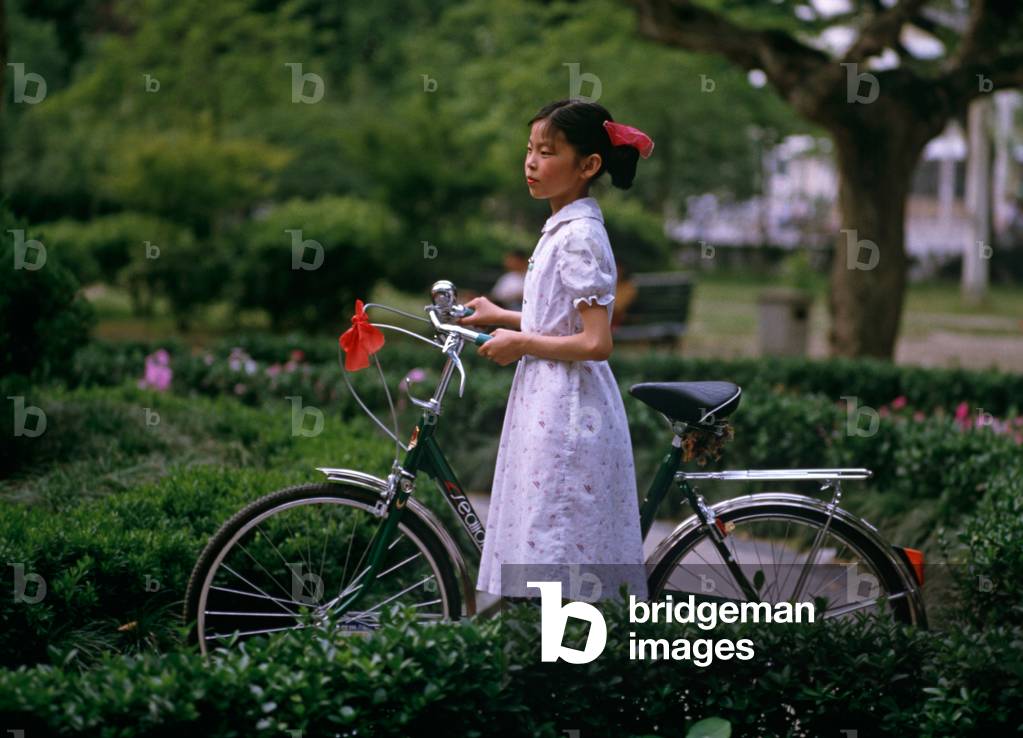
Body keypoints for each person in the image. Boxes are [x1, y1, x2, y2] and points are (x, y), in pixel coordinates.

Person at [457, 99, 654, 603]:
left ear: (588, 166)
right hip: (548, 400)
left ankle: (560, 667)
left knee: (557, 541)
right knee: (549, 538)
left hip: (569, 412)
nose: (531, 162)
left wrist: (520, 341)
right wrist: (501, 316)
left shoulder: (580, 237)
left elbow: (596, 341)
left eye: (547, 152)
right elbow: (562, 320)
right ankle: (555, 663)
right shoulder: (562, 227)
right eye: (529, 150)